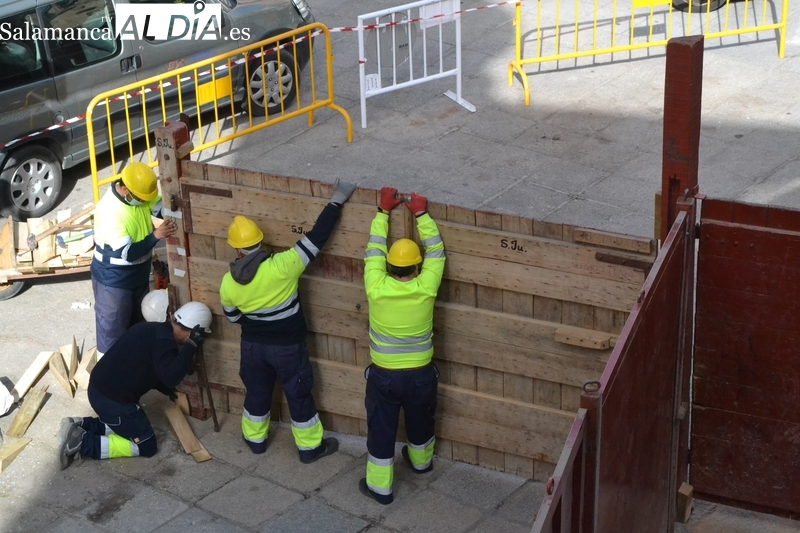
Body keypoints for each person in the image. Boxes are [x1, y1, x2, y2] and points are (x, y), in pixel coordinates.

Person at [219, 179, 356, 462]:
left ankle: (255, 440)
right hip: (288, 349)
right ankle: (309, 449)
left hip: (253, 347)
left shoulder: (227, 283)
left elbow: (233, 318)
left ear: (235, 250)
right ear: (261, 241)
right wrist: (337, 200)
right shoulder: (284, 265)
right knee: (298, 393)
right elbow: (317, 237)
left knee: (256, 391)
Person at [359, 188, 445, 505]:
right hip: (421, 374)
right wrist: (421, 214)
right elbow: (437, 251)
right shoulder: (427, 286)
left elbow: (373, 249)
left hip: (384, 376)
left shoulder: (375, 286)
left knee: (381, 428)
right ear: (418, 267)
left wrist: (383, 212)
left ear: (388, 267)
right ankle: (421, 462)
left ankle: (380, 487)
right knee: (421, 418)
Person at [57, 302, 212, 469]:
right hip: (113, 401)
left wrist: (168, 391)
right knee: (146, 445)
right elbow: (170, 377)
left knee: (123, 423)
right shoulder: (165, 343)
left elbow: (151, 370)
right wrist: (191, 348)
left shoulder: (152, 329)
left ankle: (78, 424)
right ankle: (82, 442)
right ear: (190, 333)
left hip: (99, 391)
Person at [91, 162, 178, 358]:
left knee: (137, 326)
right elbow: (128, 254)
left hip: (138, 275)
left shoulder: (136, 195)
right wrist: (156, 235)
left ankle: (133, 369)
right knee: (112, 333)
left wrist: (171, 208)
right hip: (114, 281)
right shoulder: (109, 212)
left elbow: (156, 206)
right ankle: (107, 377)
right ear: (124, 189)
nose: (142, 201)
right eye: (139, 198)